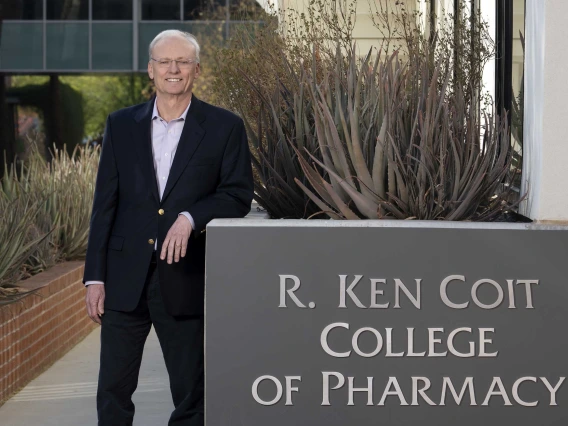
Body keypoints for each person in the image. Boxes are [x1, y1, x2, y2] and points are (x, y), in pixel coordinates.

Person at [83, 29, 254, 426]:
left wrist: (190, 217)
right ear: (150, 69)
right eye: (164, 61)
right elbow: (104, 206)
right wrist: (94, 277)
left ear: (197, 69)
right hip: (124, 280)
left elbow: (237, 194)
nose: (173, 69)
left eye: (182, 61)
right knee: (112, 391)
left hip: (184, 277)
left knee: (191, 395)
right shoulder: (121, 125)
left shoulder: (224, 127)